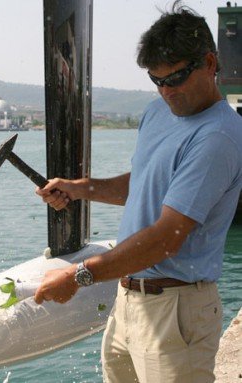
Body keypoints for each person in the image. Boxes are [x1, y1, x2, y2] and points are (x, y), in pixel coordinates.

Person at [34, 2, 242, 383]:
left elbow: (166, 239)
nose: (167, 92)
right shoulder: (157, 113)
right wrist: (81, 189)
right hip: (128, 300)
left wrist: (77, 276)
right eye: (157, 80)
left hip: (176, 312)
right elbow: (144, 182)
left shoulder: (218, 137)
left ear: (210, 63)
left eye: (176, 78)